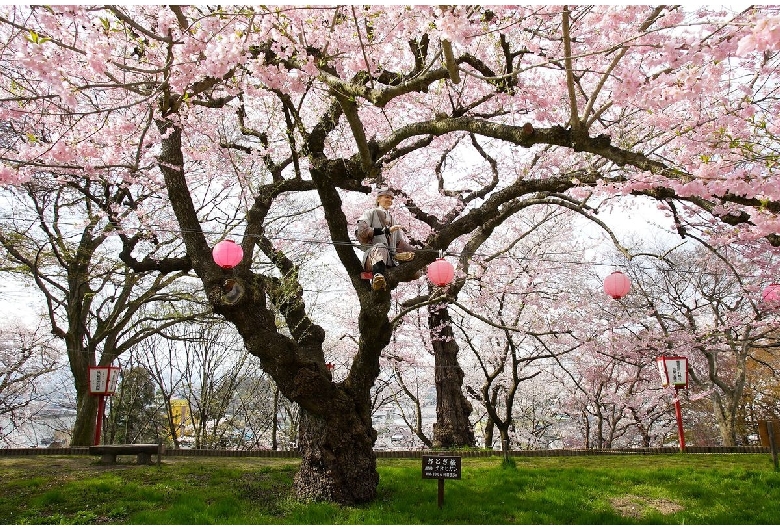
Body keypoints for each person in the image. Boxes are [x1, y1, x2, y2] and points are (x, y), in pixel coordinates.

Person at [355, 188, 415, 291]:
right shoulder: (370, 213)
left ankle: (395, 257)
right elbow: (362, 231)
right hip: (373, 256)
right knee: (381, 247)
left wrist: (417, 252)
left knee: (416, 272)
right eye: (387, 197)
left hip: (390, 261)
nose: (390, 200)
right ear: (378, 199)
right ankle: (377, 276)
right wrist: (384, 231)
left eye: (391, 198)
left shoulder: (393, 220)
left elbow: (400, 243)